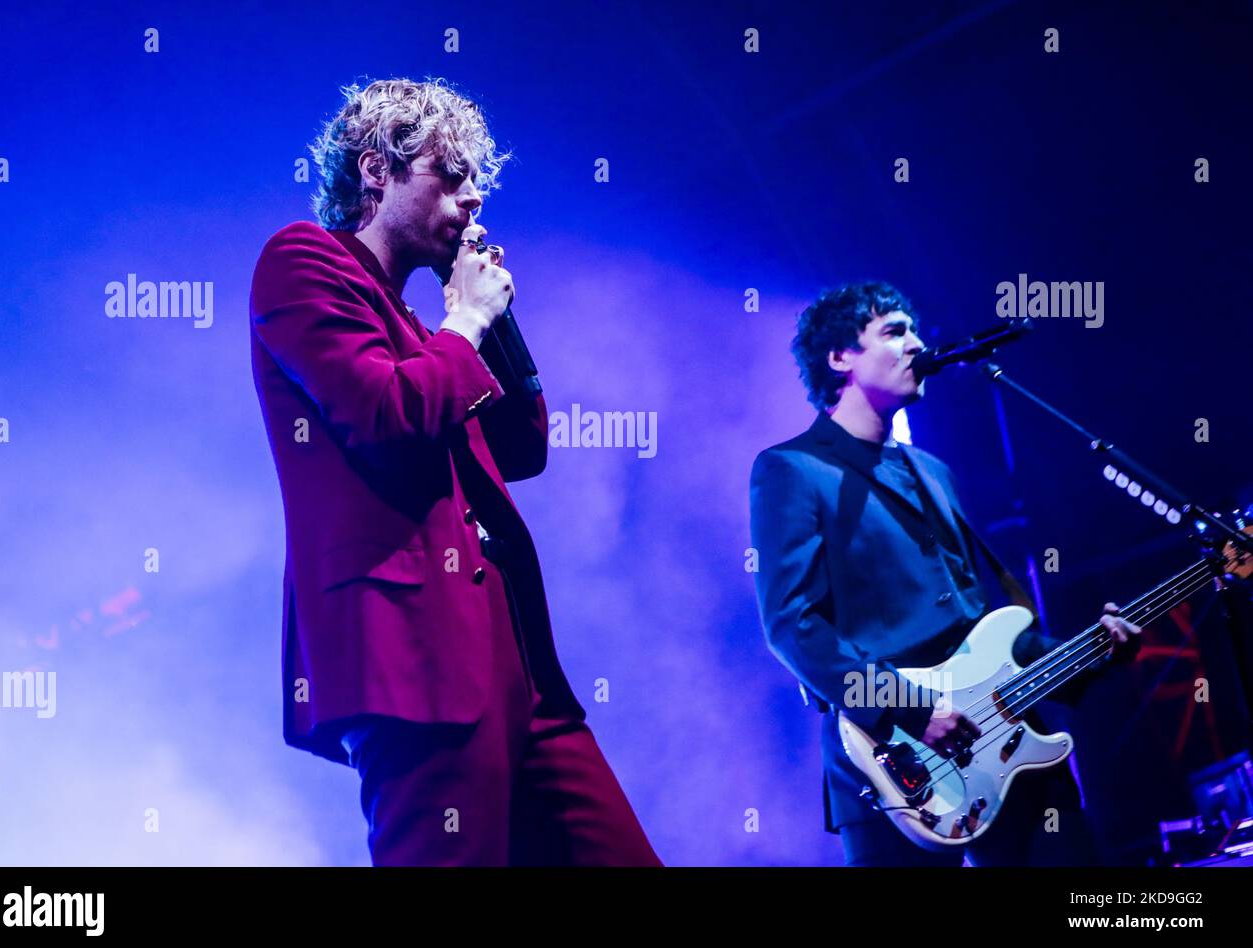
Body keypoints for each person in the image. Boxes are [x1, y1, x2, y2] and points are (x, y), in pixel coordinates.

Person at [249, 77, 660, 866]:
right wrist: (465, 320)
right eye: (453, 177)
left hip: (520, 666)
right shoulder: (301, 262)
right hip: (416, 659)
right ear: (378, 171)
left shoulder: (420, 321)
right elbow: (383, 414)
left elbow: (522, 447)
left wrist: (489, 321)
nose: (473, 201)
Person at [748, 282, 1139, 866]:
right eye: (895, 331)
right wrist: (911, 708)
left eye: (915, 330)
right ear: (839, 358)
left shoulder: (933, 471)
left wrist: (1091, 651)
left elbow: (979, 623)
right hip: (890, 762)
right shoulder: (793, 469)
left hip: (1004, 741)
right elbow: (792, 626)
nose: (918, 344)